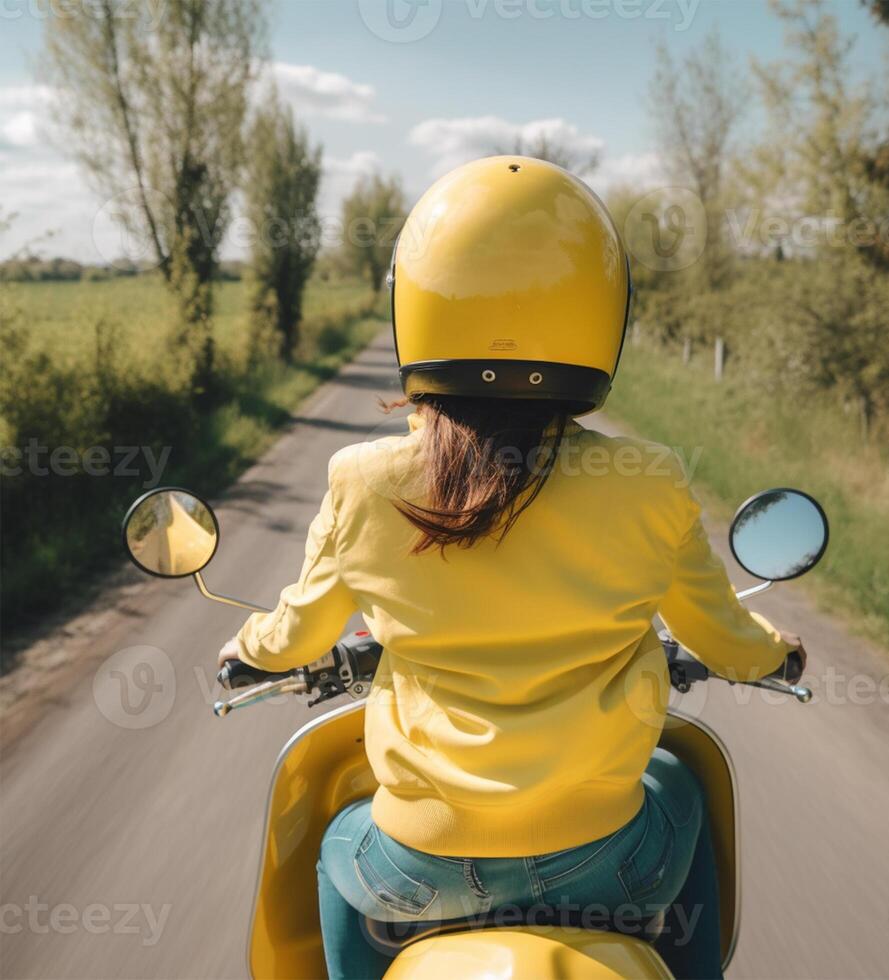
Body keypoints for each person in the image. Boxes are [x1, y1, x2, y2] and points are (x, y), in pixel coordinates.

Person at [221, 157, 805, 980]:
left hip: (419, 870)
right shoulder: (649, 481)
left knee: (332, 853)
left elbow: (297, 634)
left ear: (416, 307)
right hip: (614, 861)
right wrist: (775, 651)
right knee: (688, 793)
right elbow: (723, 636)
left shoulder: (361, 480)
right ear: (600, 312)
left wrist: (247, 646)